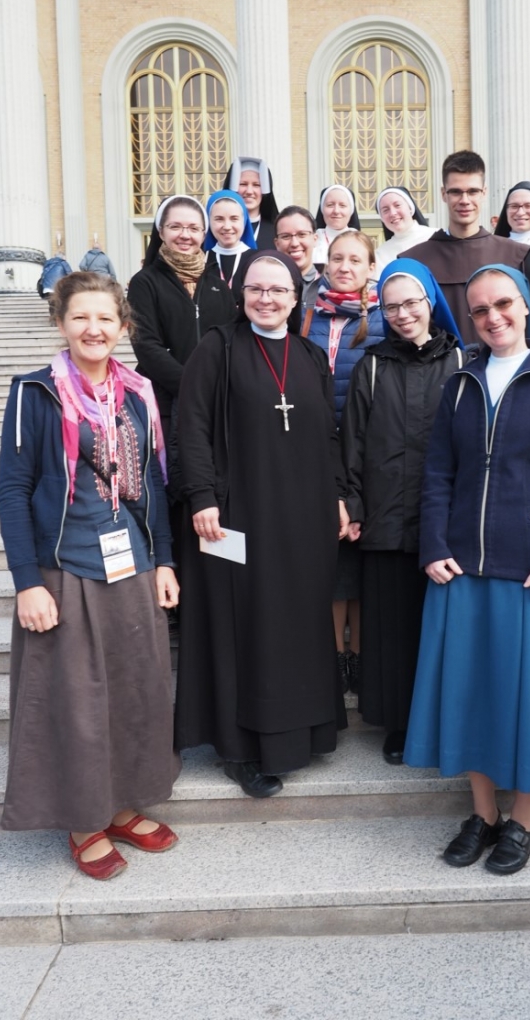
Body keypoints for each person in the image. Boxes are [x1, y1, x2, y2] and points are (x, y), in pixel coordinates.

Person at [404, 264, 530, 875]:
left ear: (525, 305)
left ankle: (524, 821)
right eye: (481, 310)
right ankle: (483, 814)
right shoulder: (461, 383)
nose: (494, 317)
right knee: (472, 696)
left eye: (504, 304)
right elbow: (439, 472)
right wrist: (434, 544)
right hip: (463, 567)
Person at [0, 271, 180, 880]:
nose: (93, 329)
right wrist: (27, 582)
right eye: (80, 317)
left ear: (123, 326)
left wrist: (164, 560)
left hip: (131, 565)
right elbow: (12, 492)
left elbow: (151, 486)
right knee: (76, 700)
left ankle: (121, 804)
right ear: (60, 323)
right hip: (64, 569)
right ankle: (83, 819)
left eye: (105, 318)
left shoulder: (138, 394)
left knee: (134, 690)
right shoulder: (35, 393)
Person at [175, 250, 350, 798]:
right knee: (246, 625)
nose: (266, 299)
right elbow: (191, 427)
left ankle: (305, 732)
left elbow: (328, 435)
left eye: (278, 290)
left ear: (297, 298)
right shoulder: (217, 348)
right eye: (256, 289)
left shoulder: (311, 355)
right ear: (241, 294)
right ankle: (242, 749)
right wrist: (201, 496)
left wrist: (339, 496)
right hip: (237, 516)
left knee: (296, 622)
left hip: (303, 518)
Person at [341, 258, 464, 764]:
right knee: (391, 630)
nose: (402, 314)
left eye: (411, 303)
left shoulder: (462, 361)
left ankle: (442, 718)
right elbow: (352, 442)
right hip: (386, 518)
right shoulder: (371, 366)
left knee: (441, 628)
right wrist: (353, 504)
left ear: (430, 302)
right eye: (391, 307)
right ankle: (398, 723)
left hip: (446, 524)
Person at [307, 231, 386, 694]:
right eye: (337, 258)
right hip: (320, 448)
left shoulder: (382, 317)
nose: (344, 267)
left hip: (367, 449)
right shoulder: (308, 314)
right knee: (335, 557)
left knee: (360, 554)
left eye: (355, 260)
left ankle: (360, 653)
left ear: (370, 267)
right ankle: (336, 654)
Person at [126, 195, 237, 501]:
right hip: (163, 403)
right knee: (169, 485)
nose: (185, 235)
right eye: (175, 227)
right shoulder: (144, 282)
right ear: (161, 232)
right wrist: (191, 385)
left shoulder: (217, 283)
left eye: (193, 228)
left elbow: (231, 339)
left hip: (214, 401)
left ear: (204, 234)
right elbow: (146, 345)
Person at [402, 151, 528, 340]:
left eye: (473, 191)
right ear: (443, 194)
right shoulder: (415, 261)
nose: (465, 201)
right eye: (456, 192)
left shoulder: (516, 256)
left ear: (484, 193)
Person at [202, 188, 256, 299]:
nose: (227, 226)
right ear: (208, 221)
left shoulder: (257, 260)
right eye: (219, 219)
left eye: (234, 219)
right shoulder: (201, 260)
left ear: (244, 220)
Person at [273, 205, 320, 320]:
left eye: (302, 234)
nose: (294, 243)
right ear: (277, 244)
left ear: (315, 239)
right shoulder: (266, 288)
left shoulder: (329, 286)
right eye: (286, 236)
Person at [373, 186, 434, 273]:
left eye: (397, 205)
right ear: (382, 218)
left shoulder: (435, 237)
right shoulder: (380, 254)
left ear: (410, 208)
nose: (393, 213)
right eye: (385, 210)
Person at [224, 156, 279, 250]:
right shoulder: (220, 230)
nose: (249, 191)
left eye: (256, 185)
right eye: (243, 184)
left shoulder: (277, 231)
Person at [313, 184, 361, 268]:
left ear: (351, 210)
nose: (336, 211)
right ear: (322, 209)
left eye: (342, 205)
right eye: (330, 205)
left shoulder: (361, 242)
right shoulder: (313, 241)